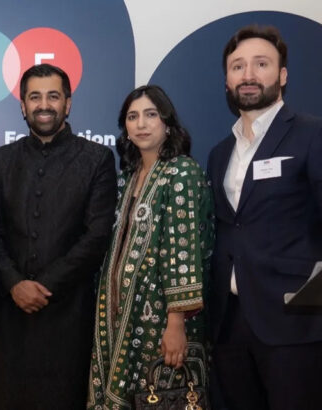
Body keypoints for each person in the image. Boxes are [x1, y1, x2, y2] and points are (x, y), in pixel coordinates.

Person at [208, 25, 322, 409]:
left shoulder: (317, 134)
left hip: (296, 322)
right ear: (227, 81)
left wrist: (318, 296)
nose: (248, 74)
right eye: (237, 66)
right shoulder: (220, 153)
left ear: (283, 75)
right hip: (229, 324)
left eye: (261, 64)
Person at [0, 64, 117, 410]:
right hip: (9, 314)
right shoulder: (1, 160)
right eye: (34, 97)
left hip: (68, 315)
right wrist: (15, 284)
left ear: (68, 103)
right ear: (23, 106)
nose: (44, 105)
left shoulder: (97, 159)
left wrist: (45, 286)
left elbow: (96, 237)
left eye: (53, 96)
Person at [87, 85, 214, 409]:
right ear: (125, 129)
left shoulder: (181, 172)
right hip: (119, 318)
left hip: (160, 321)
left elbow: (185, 250)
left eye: (151, 114)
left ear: (167, 124)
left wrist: (176, 323)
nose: (141, 124)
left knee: (159, 396)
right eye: (132, 117)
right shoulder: (126, 179)